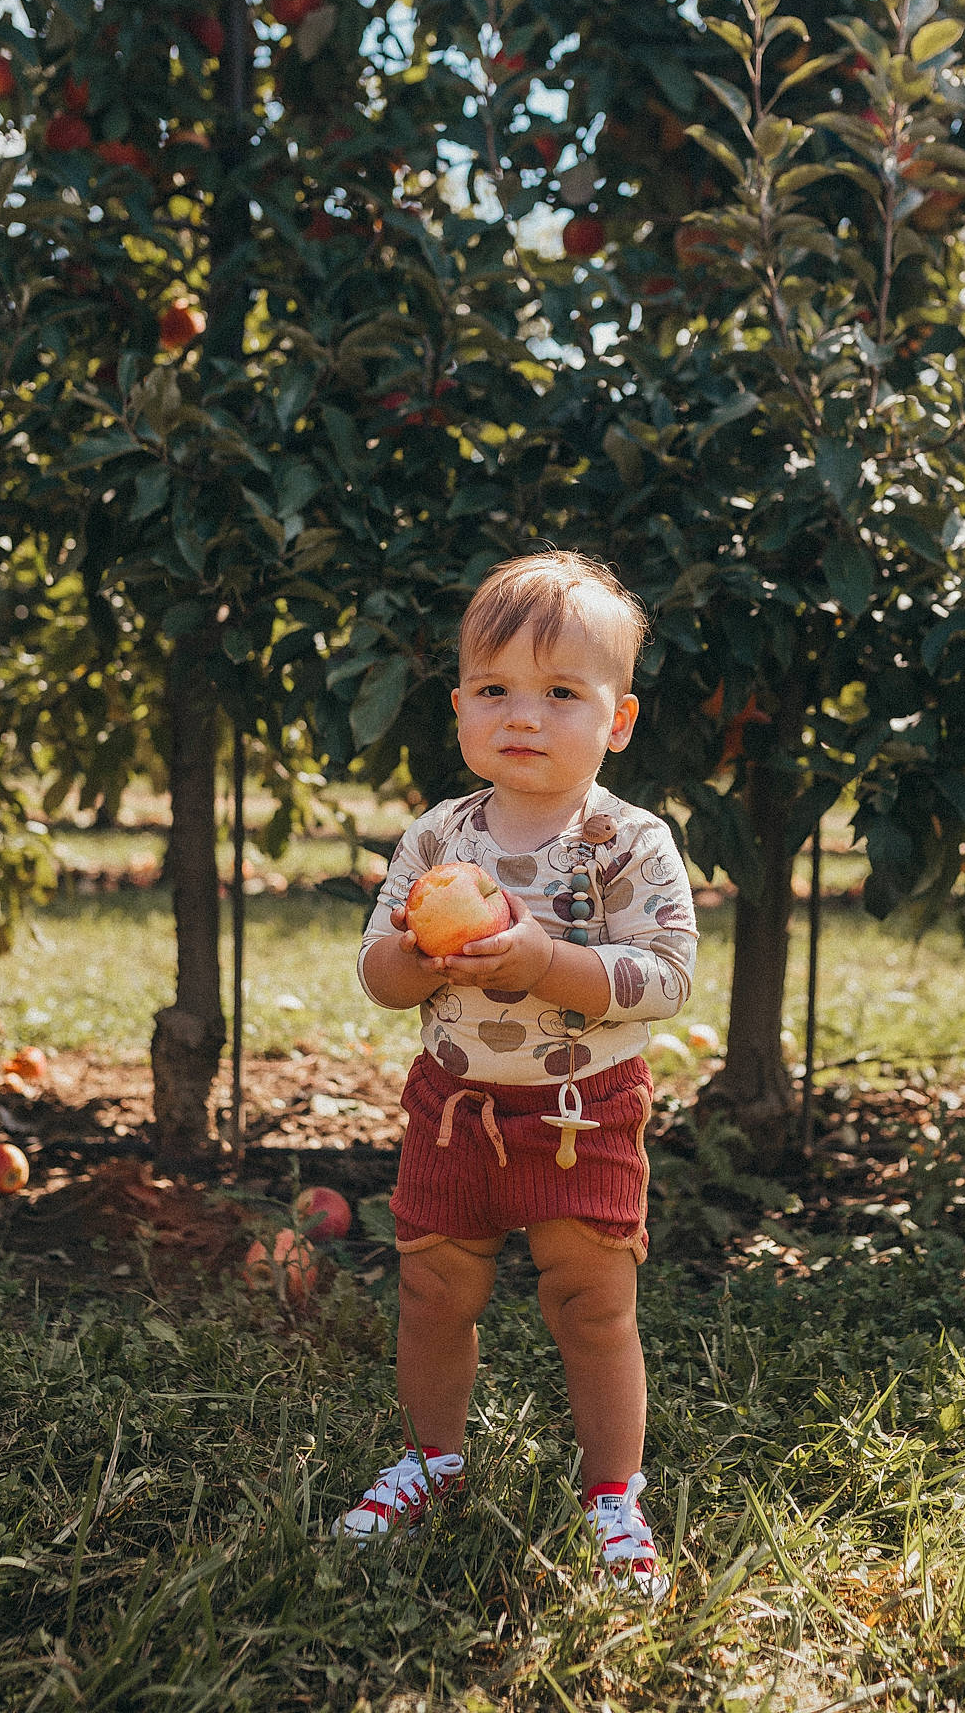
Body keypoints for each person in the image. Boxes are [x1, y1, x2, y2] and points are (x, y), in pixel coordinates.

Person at [339, 550, 697, 1597]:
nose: (522, 715)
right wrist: (416, 953)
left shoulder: (628, 841)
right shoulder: (439, 836)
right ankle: (432, 1457)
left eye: (560, 692)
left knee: (589, 1298)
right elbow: (375, 969)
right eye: (494, 689)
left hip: (584, 1111)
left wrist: (548, 961)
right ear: (458, 707)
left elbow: (666, 973)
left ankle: (613, 1494)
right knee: (434, 1284)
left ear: (617, 719)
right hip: (453, 1106)